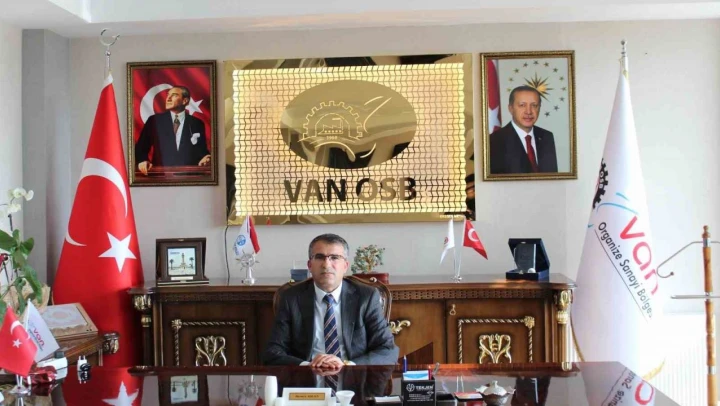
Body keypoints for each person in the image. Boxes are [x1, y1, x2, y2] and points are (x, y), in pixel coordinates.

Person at [263, 233, 399, 367]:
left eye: (334, 257)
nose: (326, 264)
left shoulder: (366, 296)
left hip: (353, 375)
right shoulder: (291, 297)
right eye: (319, 257)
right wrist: (307, 366)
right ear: (310, 265)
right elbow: (273, 352)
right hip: (307, 375)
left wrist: (348, 365)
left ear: (345, 266)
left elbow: (388, 350)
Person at [135, 86, 211, 174]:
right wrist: (143, 160)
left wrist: (207, 157)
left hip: (189, 176)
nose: (168, 98)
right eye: (168, 95)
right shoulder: (154, 121)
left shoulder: (197, 123)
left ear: (185, 101)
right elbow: (141, 148)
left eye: (174, 95)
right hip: (161, 176)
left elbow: (201, 150)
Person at [489, 85, 558, 174]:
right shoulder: (494, 141)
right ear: (511, 108)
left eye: (534, 105)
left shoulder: (546, 137)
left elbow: (552, 177)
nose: (528, 111)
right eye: (522, 105)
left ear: (539, 108)